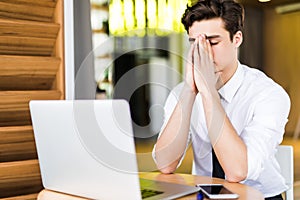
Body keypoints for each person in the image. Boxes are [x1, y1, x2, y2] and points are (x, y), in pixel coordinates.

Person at [152, 0, 291, 199]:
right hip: (205, 195)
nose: (204, 52)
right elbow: (165, 164)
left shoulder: (268, 94)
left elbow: (237, 172)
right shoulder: (181, 93)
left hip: (260, 196)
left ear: (237, 39)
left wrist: (208, 91)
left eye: (213, 42)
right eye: (196, 44)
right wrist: (189, 92)